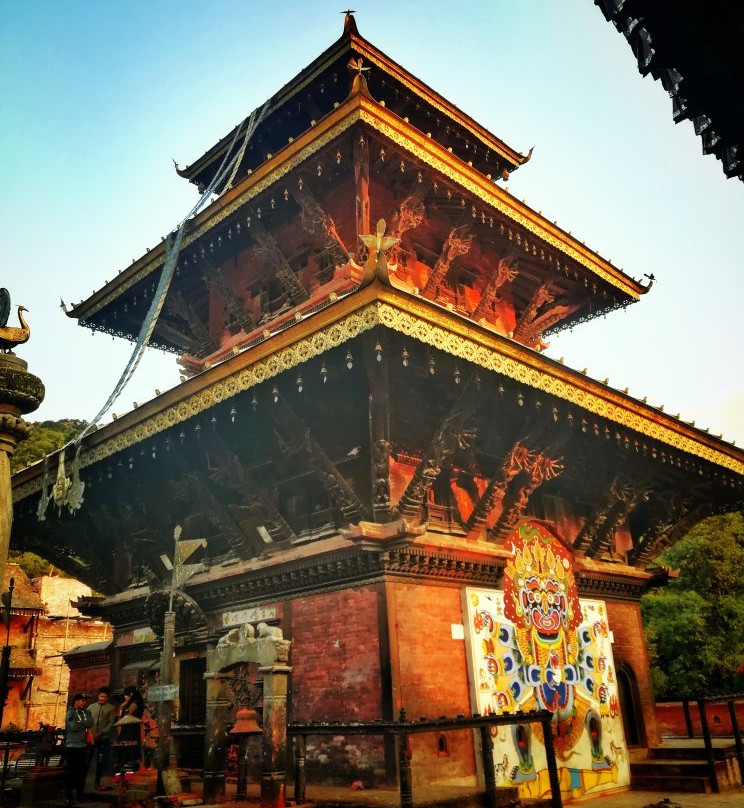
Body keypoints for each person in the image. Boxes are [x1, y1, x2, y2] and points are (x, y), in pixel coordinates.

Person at [64, 693, 93, 806]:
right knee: (71, 772)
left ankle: (80, 795)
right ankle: (69, 796)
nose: (84, 703)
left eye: (85, 701)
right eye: (82, 701)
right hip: (72, 746)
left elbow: (91, 722)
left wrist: (80, 723)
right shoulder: (70, 713)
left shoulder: (87, 712)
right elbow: (73, 727)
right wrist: (84, 725)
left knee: (82, 772)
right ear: (76, 701)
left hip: (83, 745)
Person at [86, 686, 115, 791]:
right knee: (87, 760)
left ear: (107, 697)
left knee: (100, 761)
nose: (103, 698)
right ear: (98, 696)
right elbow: (86, 721)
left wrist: (102, 732)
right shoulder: (91, 707)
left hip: (103, 738)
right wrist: (90, 733)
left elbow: (111, 722)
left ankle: (97, 783)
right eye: (102, 696)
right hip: (91, 737)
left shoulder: (111, 708)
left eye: (105, 697)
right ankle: (81, 782)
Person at [115, 685, 144, 777]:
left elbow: (124, 718)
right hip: (132, 729)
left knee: (127, 751)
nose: (125, 697)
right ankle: (127, 774)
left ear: (131, 694)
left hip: (129, 730)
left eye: (126, 695)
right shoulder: (137, 702)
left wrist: (121, 709)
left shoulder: (133, 704)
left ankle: (127, 775)